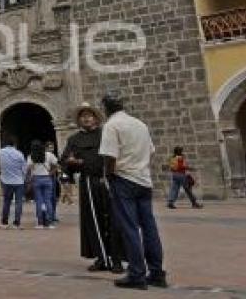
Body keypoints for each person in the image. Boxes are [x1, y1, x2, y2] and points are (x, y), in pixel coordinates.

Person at [99, 91, 167, 290]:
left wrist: (108, 177)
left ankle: (136, 274)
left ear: (105, 108)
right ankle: (157, 273)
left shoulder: (112, 125)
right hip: (143, 181)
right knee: (149, 228)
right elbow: (151, 151)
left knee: (129, 228)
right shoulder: (140, 124)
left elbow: (110, 157)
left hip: (124, 180)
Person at [61, 103, 124, 274]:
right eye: (83, 116)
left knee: (114, 220)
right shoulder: (73, 140)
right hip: (88, 184)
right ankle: (102, 258)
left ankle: (117, 259)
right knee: (94, 221)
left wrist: (82, 161)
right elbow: (66, 159)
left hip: (108, 181)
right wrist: (72, 163)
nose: (86, 118)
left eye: (89, 115)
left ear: (95, 118)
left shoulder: (106, 134)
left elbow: (113, 156)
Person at [27, 140, 58, 229]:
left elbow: (28, 169)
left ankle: (40, 223)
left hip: (36, 179)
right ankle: (51, 222)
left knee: (39, 202)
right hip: (47, 178)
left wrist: (29, 179)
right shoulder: (49, 155)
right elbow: (56, 165)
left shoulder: (31, 156)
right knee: (48, 201)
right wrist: (51, 173)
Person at [0, 135, 26, 229]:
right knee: (19, 203)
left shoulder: (1, 152)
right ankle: (16, 223)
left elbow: (0, 163)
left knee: (6, 202)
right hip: (19, 181)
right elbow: (24, 169)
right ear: (15, 144)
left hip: (6, 180)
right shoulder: (19, 154)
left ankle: (4, 222)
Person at [46, 141, 60, 223]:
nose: (52, 149)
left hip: (52, 177)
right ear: (46, 148)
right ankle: (50, 215)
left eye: (52, 147)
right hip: (50, 177)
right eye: (50, 147)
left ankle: (52, 215)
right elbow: (57, 165)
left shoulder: (52, 155)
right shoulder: (49, 155)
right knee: (50, 197)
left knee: (53, 197)